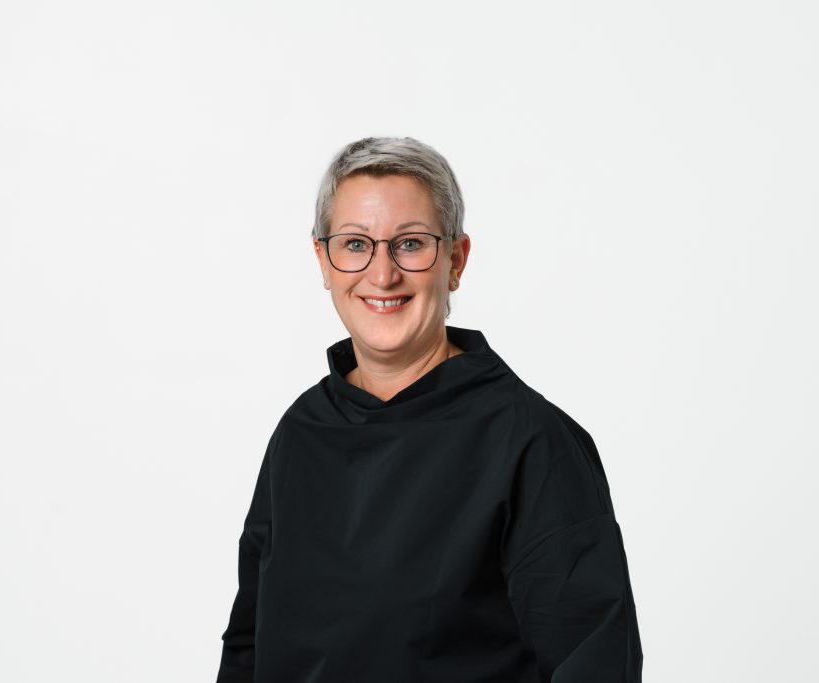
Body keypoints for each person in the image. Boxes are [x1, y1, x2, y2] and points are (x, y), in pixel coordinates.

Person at [215, 136, 643, 682]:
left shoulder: (530, 441)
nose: (382, 274)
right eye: (355, 244)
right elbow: (248, 647)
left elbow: (595, 661)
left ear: (455, 261)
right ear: (323, 261)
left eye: (411, 244)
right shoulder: (300, 432)